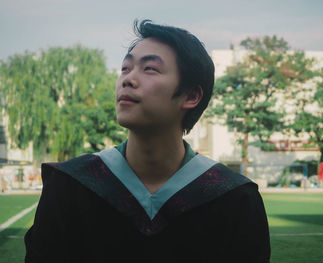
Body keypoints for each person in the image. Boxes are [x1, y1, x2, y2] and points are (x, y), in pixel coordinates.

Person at [25, 20, 270, 262]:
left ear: (191, 95)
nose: (127, 79)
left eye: (149, 68)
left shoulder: (234, 200)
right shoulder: (70, 186)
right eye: (125, 68)